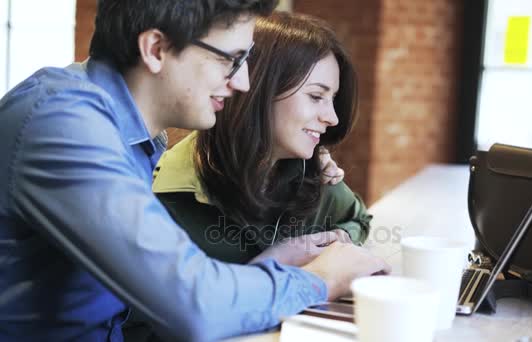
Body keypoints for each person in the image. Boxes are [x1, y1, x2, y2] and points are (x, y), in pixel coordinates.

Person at [0, 1, 390, 341]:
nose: (243, 82)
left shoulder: (136, 138)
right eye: (230, 59)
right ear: (156, 49)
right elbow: (194, 305)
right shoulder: (63, 123)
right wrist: (322, 279)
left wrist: (274, 263)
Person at [152, 11, 372, 267]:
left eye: (332, 99)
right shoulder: (164, 197)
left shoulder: (313, 174)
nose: (332, 117)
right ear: (258, 90)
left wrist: (339, 241)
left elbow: (359, 220)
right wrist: (278, 263)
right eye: (315, 96)